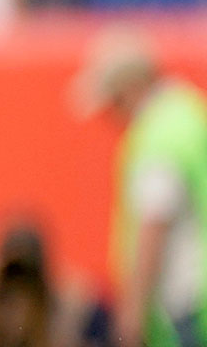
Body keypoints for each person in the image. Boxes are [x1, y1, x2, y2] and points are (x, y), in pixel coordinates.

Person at [78, 29, 207, 347]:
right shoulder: (186, 110)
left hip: (185, 306)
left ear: (132, 88)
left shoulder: (156, 137)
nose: (112, 116)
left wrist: (132, 313)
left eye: (114, 101)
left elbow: (154, 225)